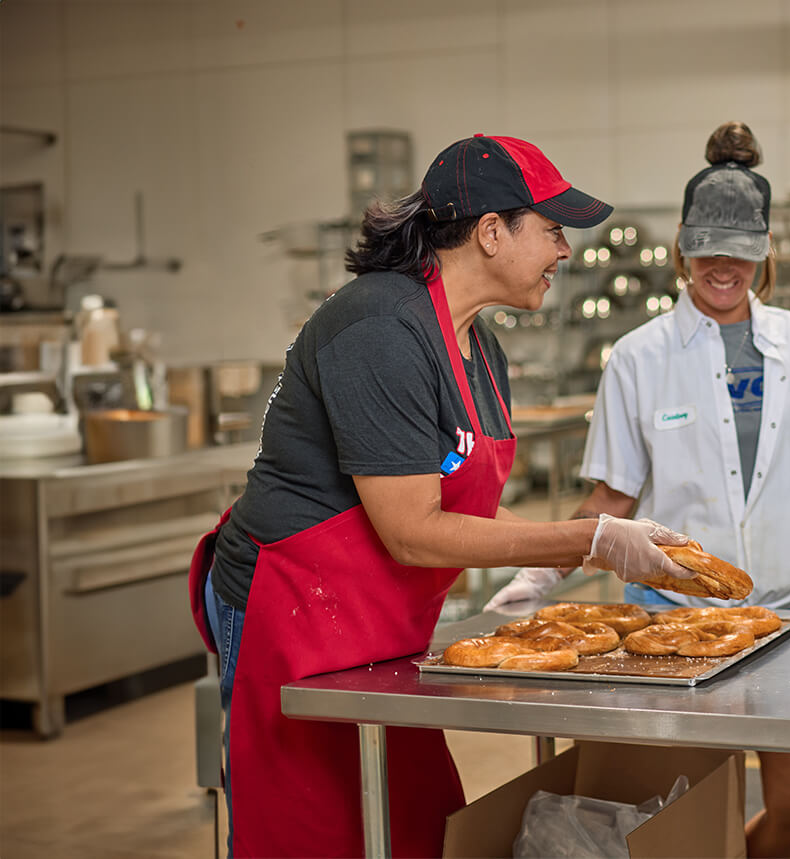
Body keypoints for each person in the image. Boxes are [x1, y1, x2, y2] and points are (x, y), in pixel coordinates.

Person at [185, 134, 700, 858]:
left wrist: (552, 563)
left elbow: (467, 506)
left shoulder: (479, 347)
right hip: (292, 607)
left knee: (413, 819)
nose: (565, 252)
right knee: (308, 826)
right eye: (552, 230)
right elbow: (410, 531)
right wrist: (587, 540)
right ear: (492, 232)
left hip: (379, 629)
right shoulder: (380, 328)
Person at [485, 121, 790, 858]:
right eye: (707, 248)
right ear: (683, 247)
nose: (723, 266)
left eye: (741, 250)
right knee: (688, 816)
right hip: (674, 626)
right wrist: (534, 576)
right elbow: (611, 498)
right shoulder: (638, 358)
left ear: (764, 250)